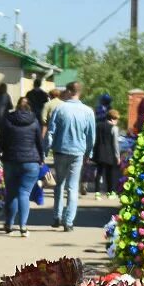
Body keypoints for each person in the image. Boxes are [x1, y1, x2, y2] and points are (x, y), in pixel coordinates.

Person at [45, 82, 95, 229]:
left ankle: (57, 216)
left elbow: (51, 132)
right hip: (78, 152)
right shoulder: (88, 111)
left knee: (59, 184)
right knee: (73, 186)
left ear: (68, 91)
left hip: (60, 150)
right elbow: (91, 136)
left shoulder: (59, 108)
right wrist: (89, 152)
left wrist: (46, 150)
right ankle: (69, 221)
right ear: (80, 92)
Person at [0, 91, 43, 237]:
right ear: (29, 107)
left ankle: (9, 224)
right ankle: (23, 226)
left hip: (11, 160)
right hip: (31, 162)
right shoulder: (34, 121)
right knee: (24, 193)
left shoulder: (8, 120)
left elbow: (1, 143)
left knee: (11, 194)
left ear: (16, 106)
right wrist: (41, 158)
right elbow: (39, 143)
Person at [90, 93, 120, 192]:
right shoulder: (113, 126)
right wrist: (117, 156)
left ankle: (97, 191)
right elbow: (115, 143)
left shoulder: (98, 112)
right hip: (109, 152)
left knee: (99, 172)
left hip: (98, 150)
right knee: (109, 173)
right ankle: (110, 191)